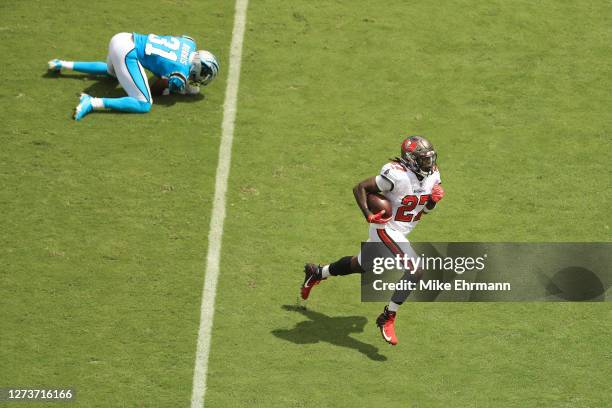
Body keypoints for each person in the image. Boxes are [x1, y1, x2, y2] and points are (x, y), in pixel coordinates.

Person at [301, 135, 445, 345]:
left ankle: (317, 272)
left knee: (360, 265)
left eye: (429, 158)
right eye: (423, 159)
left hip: (401, 230)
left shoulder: (433, 175)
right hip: (384, 226)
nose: (428, 163)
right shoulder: (396, 175)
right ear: (411, 160)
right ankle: (388, 315)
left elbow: (424, 208)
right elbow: (360, 188)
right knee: (415, 269)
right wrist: (368, 214)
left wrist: (432, 201)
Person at [47, 32, 219, 120]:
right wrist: (173, 88)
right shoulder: (180, 74)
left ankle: (62, 63)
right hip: (128, 52)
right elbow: (155, 88)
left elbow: (174, 51)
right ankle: (92, 103)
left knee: (111, 73)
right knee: (144, 103)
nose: (201, 78)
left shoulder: (189, 42)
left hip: (122, 37)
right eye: (203, 74)